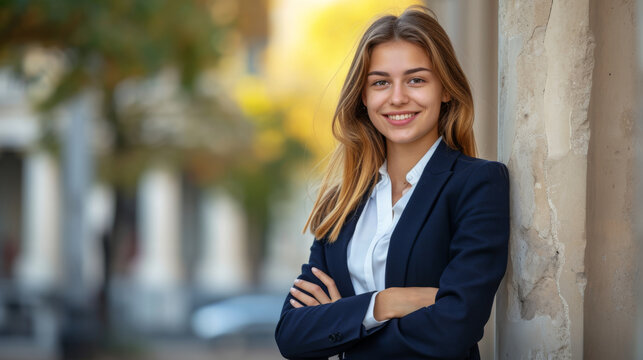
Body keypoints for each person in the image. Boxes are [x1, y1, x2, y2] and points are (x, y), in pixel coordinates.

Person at [274, 5, 509, 360]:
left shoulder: (477, 185)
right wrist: (384, 304)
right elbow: (291, 334)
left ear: (445, 89)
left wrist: (345, 327)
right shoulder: (342, 203)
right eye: (380, 82)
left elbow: (453, 329)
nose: (397, 97)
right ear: (364, 98)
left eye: (416, 79)